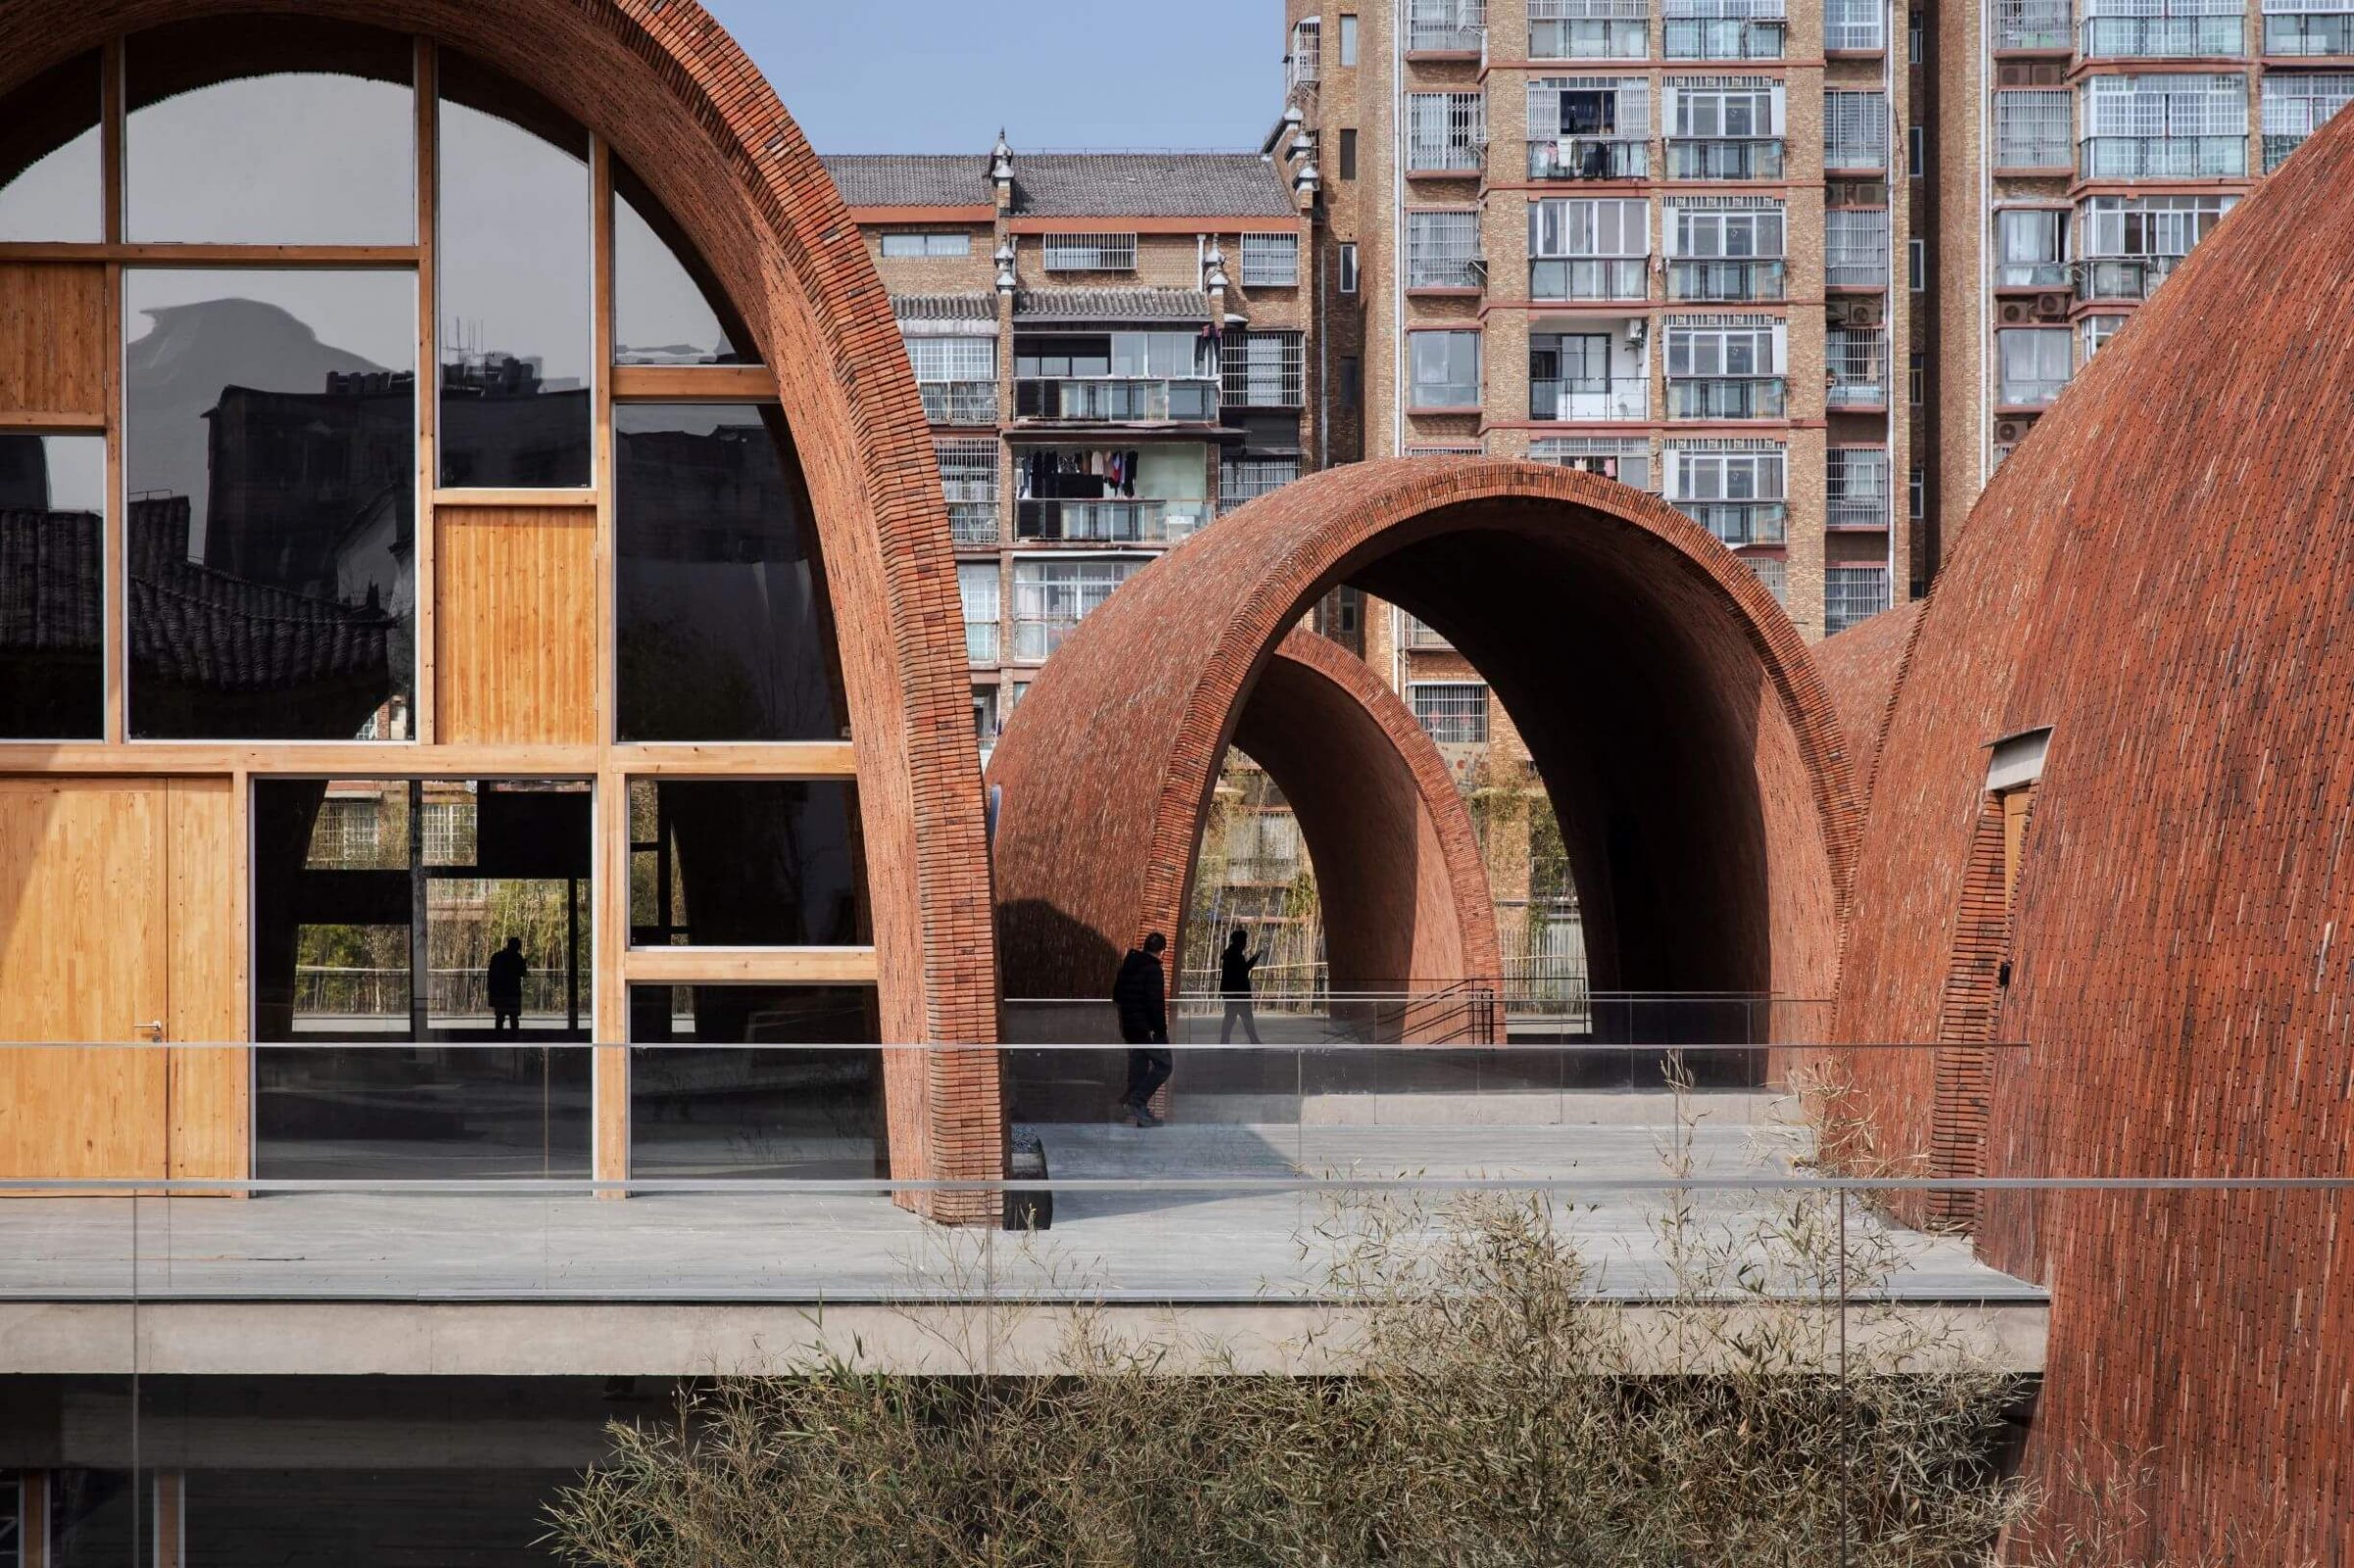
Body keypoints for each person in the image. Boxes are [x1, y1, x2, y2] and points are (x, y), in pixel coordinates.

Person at [1112, 932, 1171, 1127]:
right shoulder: (1153, 970)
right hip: (1148, 1031)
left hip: (1130, 1028)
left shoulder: (1128, 966)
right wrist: (1160, 1030)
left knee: (1139, 1069)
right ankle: (1136, 1101)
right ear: (1162, 951)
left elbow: (1117, 995)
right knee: (1164, 1065)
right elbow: (1155, 1004)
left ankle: (1136, 1114)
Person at [1217, 927, 1263, 1044]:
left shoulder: (1231, 954)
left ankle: (1225, 1041)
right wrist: (1255, 958)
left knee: (1231, 1018)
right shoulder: (1234, 956)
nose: (1245, 944)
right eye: (1244, 941)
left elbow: (1242, 970)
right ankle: (1253, 1040)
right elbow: (1243, 970)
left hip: (1233, 993)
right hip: (1237, 994)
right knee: (1245, 1018)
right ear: (1240, 942)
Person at [486, 936, 527, 1035]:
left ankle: (498, 1036)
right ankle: (514, 1037)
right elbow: (523, 973)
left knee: (499, 1017)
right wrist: (524, 964)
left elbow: (491, 975)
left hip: (500, 992)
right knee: (514, 1017)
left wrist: (492, 990)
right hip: (513, 992)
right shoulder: (518, 958)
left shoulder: (497, 956)